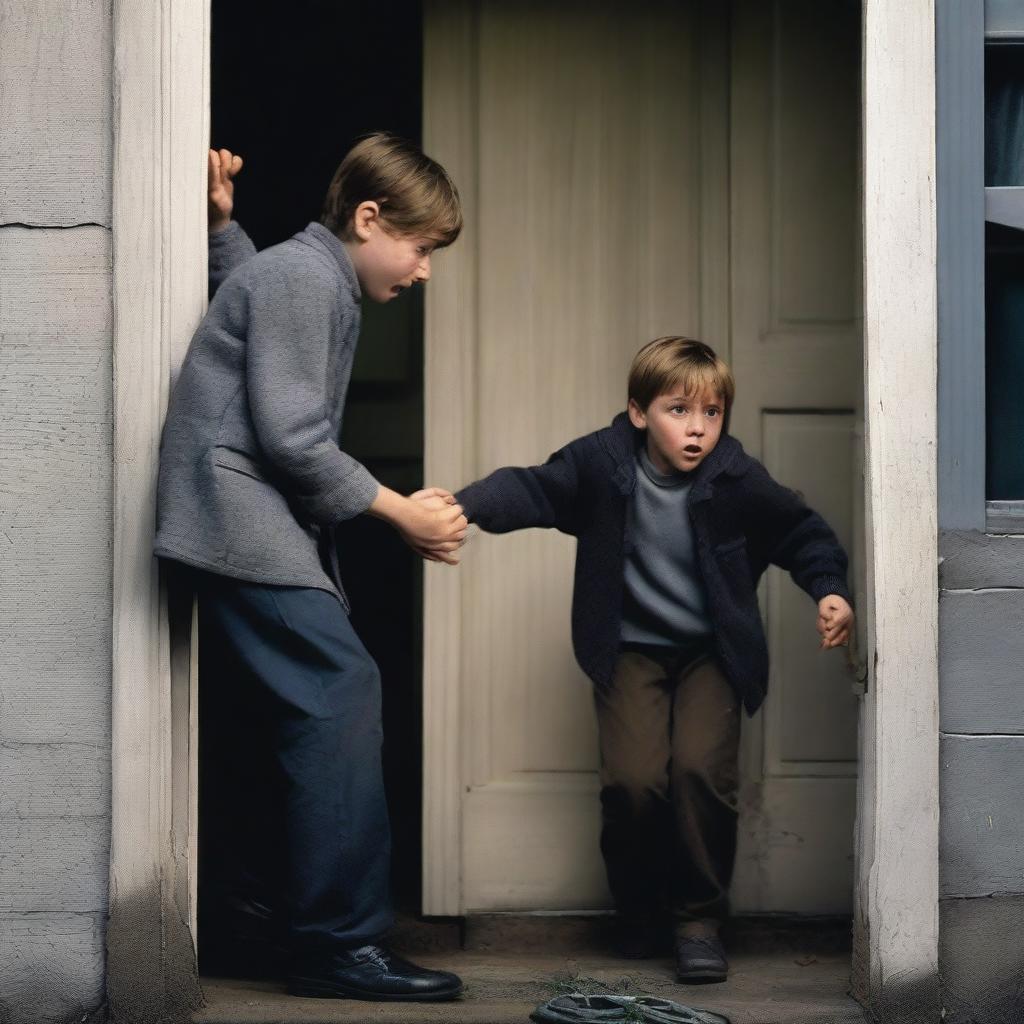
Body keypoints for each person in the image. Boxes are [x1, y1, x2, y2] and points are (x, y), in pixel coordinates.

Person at [155, 137, 467, 1001]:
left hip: (241, 519)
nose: (424, 271)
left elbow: (248, 299)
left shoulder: (301, 271)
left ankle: (253, 922)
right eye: (423, 248)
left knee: (279, 718)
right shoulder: (305, 277)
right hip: (235, 518)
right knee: (341, 687)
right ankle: (338, 944)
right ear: (369, 219)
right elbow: (291, 435)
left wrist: (222, 231)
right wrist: (400, 511)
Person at [454, 337, 854, 983]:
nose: (698, 429)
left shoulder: (735, 478)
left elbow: (800, 531)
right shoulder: (601, 463)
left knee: (700, 772)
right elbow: (533, 489)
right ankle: (638, 907)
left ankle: (697, 920)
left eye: (712, 413)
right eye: (678, 410)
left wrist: (830, 589)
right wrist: (463, 505)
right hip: (631, 648)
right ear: (639, 413)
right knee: (635, 783)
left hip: (711, 653)